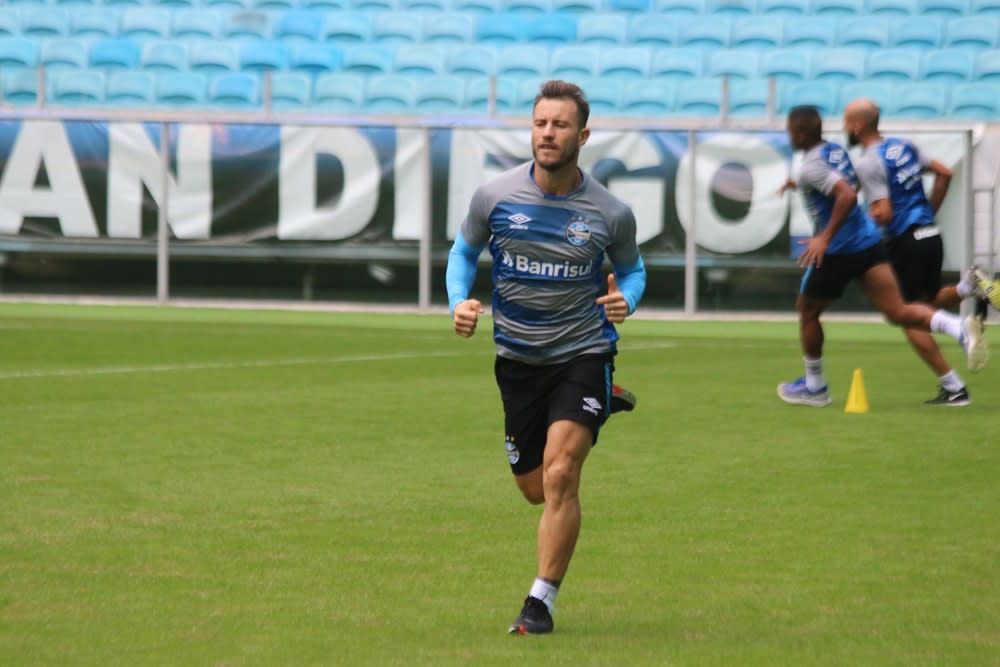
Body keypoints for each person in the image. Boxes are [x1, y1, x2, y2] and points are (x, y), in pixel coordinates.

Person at [445, 80, 646, 635]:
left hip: (583, 349)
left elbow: (633, 269)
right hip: (517, 358)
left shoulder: (610, 211)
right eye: (540, 123)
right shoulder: (495, 196)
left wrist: (625, 299)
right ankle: (604, 403)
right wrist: (456, 302)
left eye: (559, 125)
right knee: (535, 489)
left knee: (561, 476)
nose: (548, 133)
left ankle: (540, 602)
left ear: (583, 135)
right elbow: (463, 251)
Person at [777, 106, 987, 407]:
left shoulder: (812, 165)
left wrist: (824, 237)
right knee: (899, 311)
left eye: (789, 130)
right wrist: (799, 187)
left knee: (807, 310)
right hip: (870, 244)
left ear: (798, 133)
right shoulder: (834, 150)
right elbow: (843, 184)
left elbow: (847, 196)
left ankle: (815, 386)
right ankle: (958, 327)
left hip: (839, 250)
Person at [843, 98, 997, 405]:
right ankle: (969, 286)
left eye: (847, 121)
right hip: (929, 235)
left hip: (906, 241)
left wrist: (852, 224)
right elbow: (944, 172)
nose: (845, 127)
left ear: (858, 126)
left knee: (905, 315)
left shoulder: (868, 162)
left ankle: (954, 386)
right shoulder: (904, 146)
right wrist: (927, 213)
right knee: (923, 306)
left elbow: (883, 212)